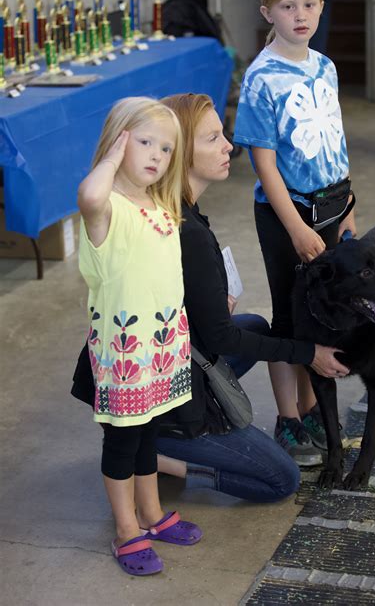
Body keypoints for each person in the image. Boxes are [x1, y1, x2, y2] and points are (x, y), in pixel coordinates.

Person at [72, 92, 350, 504]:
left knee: (252, 325)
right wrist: (307, 352)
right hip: (145, 378)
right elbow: (221, 340)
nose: (229, 147)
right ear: (182, 152)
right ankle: (168, 453)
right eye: (213, 139)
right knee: (280, 479)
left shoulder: (181, 211)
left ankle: (153, 438)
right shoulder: (184, 229)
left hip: (162, 352)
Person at [232, 0, 356, 466]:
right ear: (268, 11)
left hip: (331, 208)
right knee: (289, 316)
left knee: (320, 314)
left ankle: (310, 408)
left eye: (309, 4)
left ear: (322, 6)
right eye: (288, 6)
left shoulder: (324, 66)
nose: (300, 15)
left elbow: (337, 143)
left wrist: (348, 208)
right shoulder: (261, 78)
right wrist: (296, 227)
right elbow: (265, 168)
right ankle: (287, 417)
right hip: (289, 217)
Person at [77, 97, 201, 576]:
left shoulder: (160, 203)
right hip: (126, 354)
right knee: (123, 442)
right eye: (143, 142)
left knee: (149, 431)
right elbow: (88, 194)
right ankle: (126, 527)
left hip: (161, 347)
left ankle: (151, 513)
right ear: (118, 141)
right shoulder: (107, 208)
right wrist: (111, 157)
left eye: (165, 148)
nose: (155, 155)